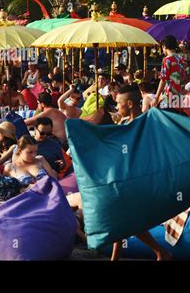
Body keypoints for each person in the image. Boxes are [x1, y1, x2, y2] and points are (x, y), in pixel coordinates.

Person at [69, 84, 172, 260]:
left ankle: (159, 251)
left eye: (119, 103)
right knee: (122, 219)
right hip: (124, 179)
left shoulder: (145, 124)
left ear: (130, 104)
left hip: (139, 180)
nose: (117, 107)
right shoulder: (125, 123)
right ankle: (149, 253)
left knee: (126, 219)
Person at [152, 35, 188, 109]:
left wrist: (156, 97)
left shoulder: (167, 60)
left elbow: (163, 79)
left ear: (164, 46)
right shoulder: (182, 60)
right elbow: (186, 78)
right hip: (180, 97)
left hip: (169, 96)